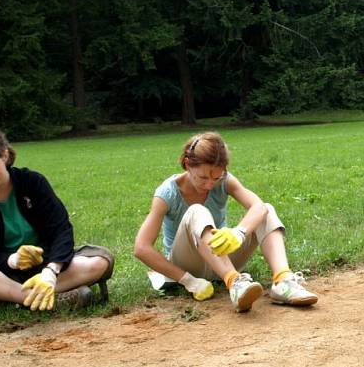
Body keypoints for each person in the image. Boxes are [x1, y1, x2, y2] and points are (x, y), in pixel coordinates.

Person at [0, 127, 114, 316]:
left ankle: (2, 298)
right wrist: (13, 260)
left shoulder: (33, 182)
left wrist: (51, 271)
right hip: (2, 272)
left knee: (100, 260)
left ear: (4, 156)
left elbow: (61, 230)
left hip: (47, 264)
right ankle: (39, 298)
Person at [133, 132, 318, 313]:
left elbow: (259, 207)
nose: (209, 184)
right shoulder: (167, 193)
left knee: (266, 209)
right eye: (203, 177)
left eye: (216, 177)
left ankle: (283, 281)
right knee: (197, 210)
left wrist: (239, 232)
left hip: (221, 260)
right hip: (188, 263)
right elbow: (141, 248)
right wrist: (188, 280)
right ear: (188, 165)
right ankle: (235, 283)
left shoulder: (225, 181)